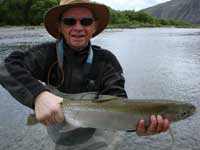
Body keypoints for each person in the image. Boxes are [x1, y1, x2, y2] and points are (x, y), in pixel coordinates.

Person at [0, 0, 170, 149]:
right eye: (70, 21)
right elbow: (6, 67)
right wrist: (38, 96)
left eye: (86, 21)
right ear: (60, 26)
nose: (78, 27)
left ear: (94, 26)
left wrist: (139, 125)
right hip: (57, 143)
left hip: (99, 144)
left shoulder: (107, 61)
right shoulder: (46, 55)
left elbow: (119, 104)